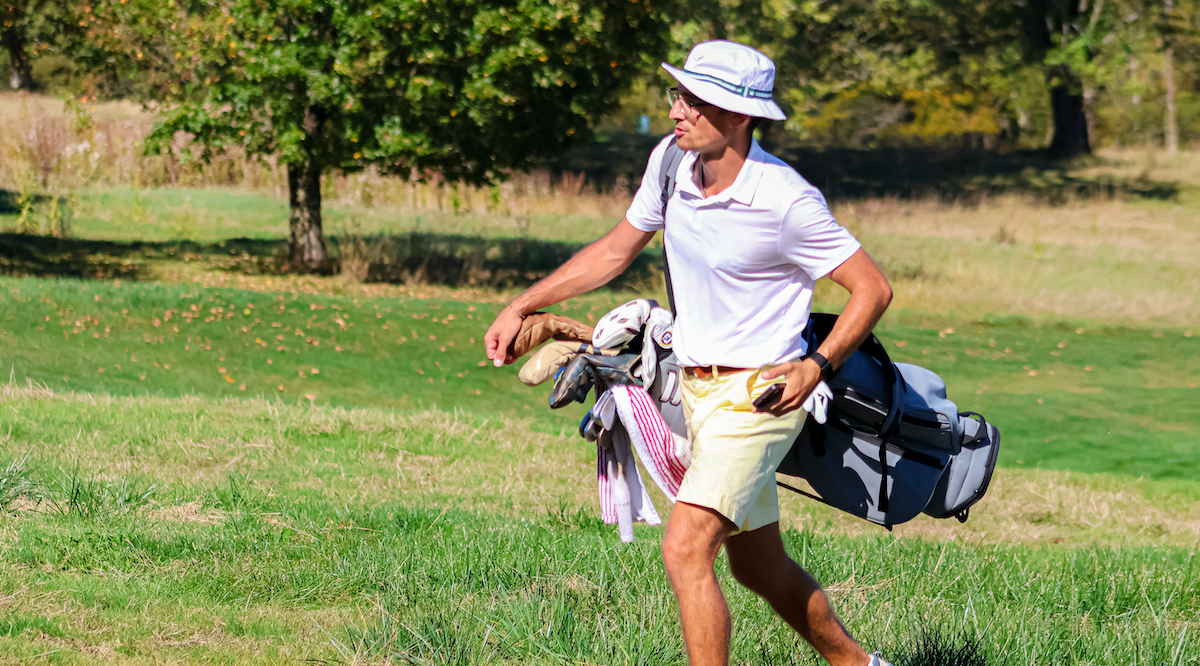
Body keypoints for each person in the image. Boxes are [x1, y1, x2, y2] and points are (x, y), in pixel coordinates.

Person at [484, 40, 893, 666]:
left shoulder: (784, 199)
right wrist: (523, 304)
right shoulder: (672, 163)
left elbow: (872, 288)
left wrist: (817, 366)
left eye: (695, 101)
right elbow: (617, 249)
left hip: (762, 398)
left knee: (685, 548)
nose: (677, 111)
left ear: (739, 115)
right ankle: (860, 664)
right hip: (695, 390)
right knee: (760, 568)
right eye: (678, 95)